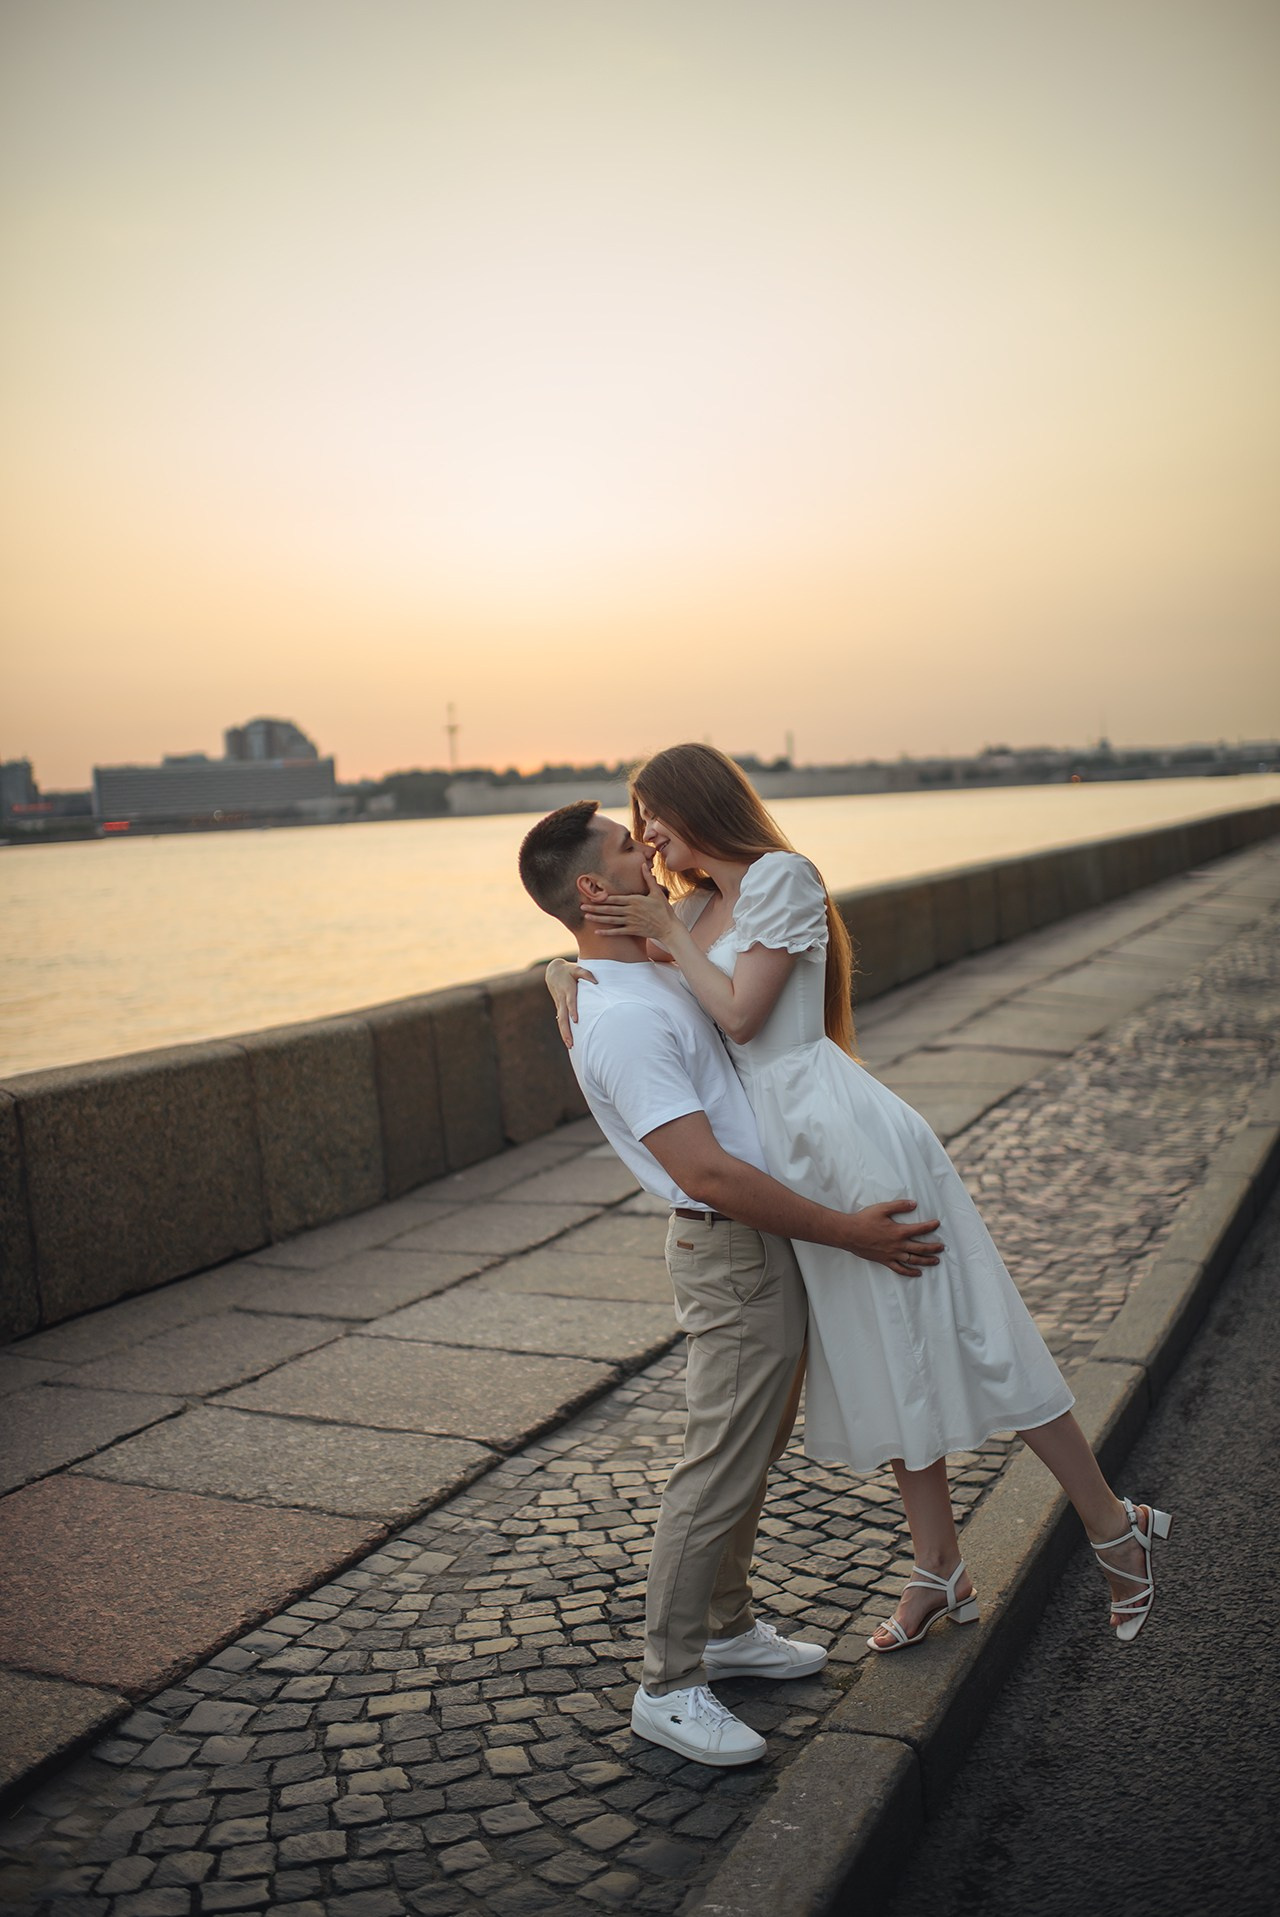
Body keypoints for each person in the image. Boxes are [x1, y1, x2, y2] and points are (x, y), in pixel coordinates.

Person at [549, 744, 1173, 1651]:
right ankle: (939, 1568)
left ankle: (1112, 1526)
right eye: (633, 824)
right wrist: (564, 968)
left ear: (697, 806)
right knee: (879, 1348)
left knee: (973, 1326)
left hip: (839, 1131)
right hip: (788, 1154)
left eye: (653, 816)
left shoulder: (779, 879)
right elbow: (623, 963)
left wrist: (671, 934)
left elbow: (740, 1016)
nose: (645, 837)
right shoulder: (693, 908)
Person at [518, 799, 948, 1765]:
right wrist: (850, 1233)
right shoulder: (619, 1016)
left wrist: (554, 962)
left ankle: (727, 1626)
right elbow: (705, 1171)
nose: (652, 853)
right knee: (714, 1465)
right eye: (632, 848)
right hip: (731, 1245)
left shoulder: (638, 969)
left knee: (745, 1452)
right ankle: (666, 1684)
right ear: (594, 888)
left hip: (759, 1243)